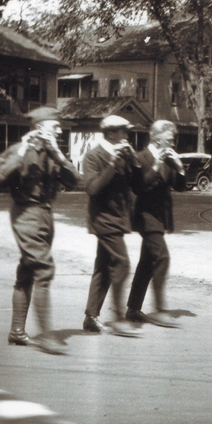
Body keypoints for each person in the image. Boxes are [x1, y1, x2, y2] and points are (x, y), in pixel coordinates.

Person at [0, 107, 79, 355]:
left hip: (45, 214)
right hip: (26, 213)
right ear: (40, 128)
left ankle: (17, 332)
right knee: (43, 268)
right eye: (55, 127)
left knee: (28, 269)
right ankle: (47, 337)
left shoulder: (52, 153)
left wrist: (59, 156)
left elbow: (76, 181)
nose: (60, 130)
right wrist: (21, 151)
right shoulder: (21, 149)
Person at [81, 115, 141, 338]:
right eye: (124, 132)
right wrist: (112, 164)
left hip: (119, 218)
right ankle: (117, 318)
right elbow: (92, 188)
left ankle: (90, 317)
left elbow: (138, 184)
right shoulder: (94, 155)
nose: (127, 136)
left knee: (103, 268)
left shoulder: (124, 154)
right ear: (112, 133)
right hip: (103, 219)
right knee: (122, 264)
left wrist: (133, 161)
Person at [125, 120, 187, 328]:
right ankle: (160, 309)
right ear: (157, 137)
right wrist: (156, 165)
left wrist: (179, 168)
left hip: (161, 217)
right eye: (170, 139)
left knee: (147, 262)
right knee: (162, 258)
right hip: (145, 216)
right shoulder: (140, 157)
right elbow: (139, 187)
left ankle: (133, 309)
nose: (173, 142)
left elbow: (180, 187)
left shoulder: (169, 157)